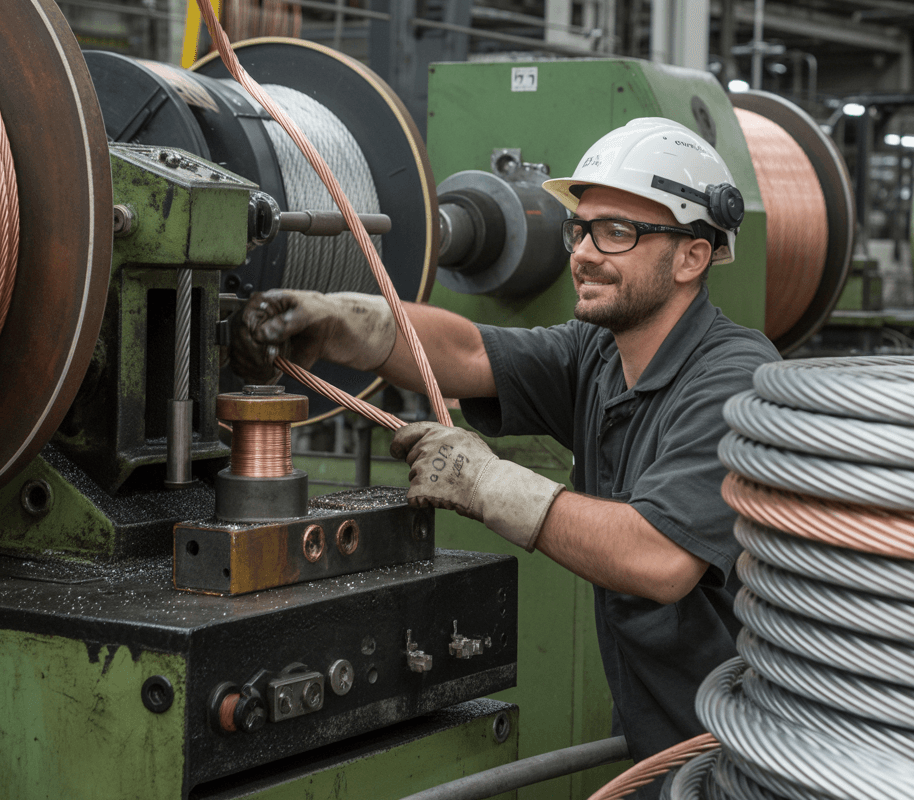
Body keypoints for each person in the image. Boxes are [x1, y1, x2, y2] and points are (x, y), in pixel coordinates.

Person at [232, 117, 780, 798]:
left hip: (750, 755)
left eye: (617, 233)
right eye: (579, 229)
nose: (583, 253)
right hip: (664, 737)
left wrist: (484, 480)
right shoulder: (601, 356)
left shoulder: (733, 379)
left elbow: (659, 560)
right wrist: (341, 320)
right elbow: (465, 353)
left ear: (692, 257)